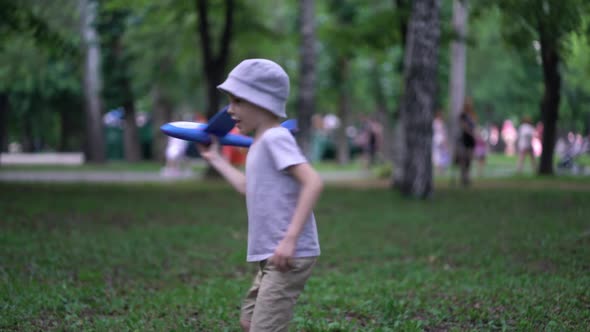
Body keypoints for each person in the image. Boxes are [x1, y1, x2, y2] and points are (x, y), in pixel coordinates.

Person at [196, 59, 323, 332]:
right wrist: (215, 159)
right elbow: (247, 187)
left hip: (288, 253)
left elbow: (312, 182)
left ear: (262, 101)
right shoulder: (260, 143)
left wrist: (289, 240)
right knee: (249, 322)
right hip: (270, 255)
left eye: (237, 101)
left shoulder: (276, 138)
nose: (230, 110)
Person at [455, 98, 477, 186]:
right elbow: (462, 125)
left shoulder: (473, 115)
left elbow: (475, 125)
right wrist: (470, 131)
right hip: (464, 138)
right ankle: (463, 177)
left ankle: (467, 177)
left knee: (469, 159)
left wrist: (474, 134)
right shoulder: (463, 115)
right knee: (463, 159)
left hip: (471, 139)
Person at [432, 111, 450, 175]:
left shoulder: (437, 122)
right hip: (439, 140)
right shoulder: (437, 123)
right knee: (439, 155)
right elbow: (441, 133)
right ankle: (439, 170)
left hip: (438, 140)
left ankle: (440, 170)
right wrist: (444, 141)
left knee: (440, 155)